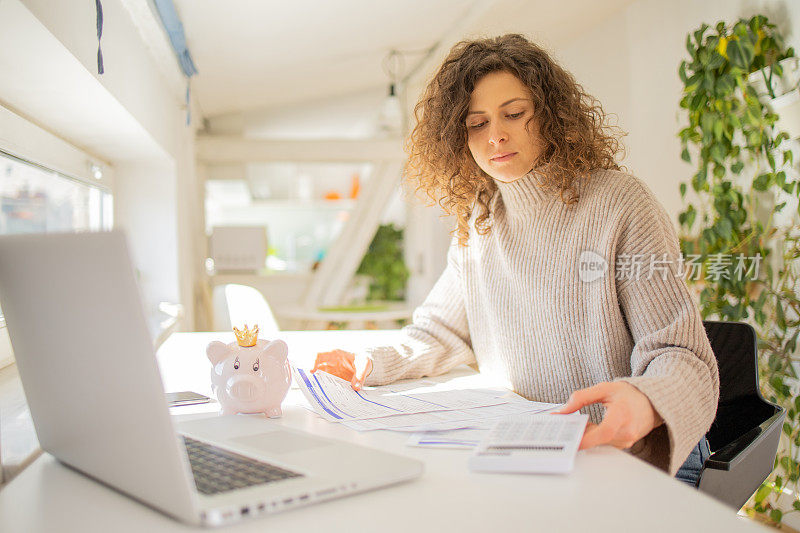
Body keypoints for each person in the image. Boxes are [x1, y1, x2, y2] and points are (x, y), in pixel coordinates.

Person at [312, 34, 719, 478]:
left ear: (550, 114)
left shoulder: (621, 205)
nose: (496, 135)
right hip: (536, 448)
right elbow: (441, 330)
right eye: (476, 123)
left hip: (634, 452)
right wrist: (369, 362)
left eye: (514, 114)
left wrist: (646, 400)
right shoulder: (482, 215)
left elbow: (682, 354)